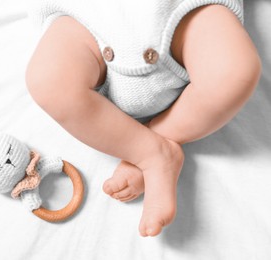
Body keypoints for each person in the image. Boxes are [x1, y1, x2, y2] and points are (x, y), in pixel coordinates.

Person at [25, 0, 261, 237]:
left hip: (184, 12)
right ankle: (153, 153)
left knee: (235, 73)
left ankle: (154, 141)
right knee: (48, 81)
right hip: (90, 19)